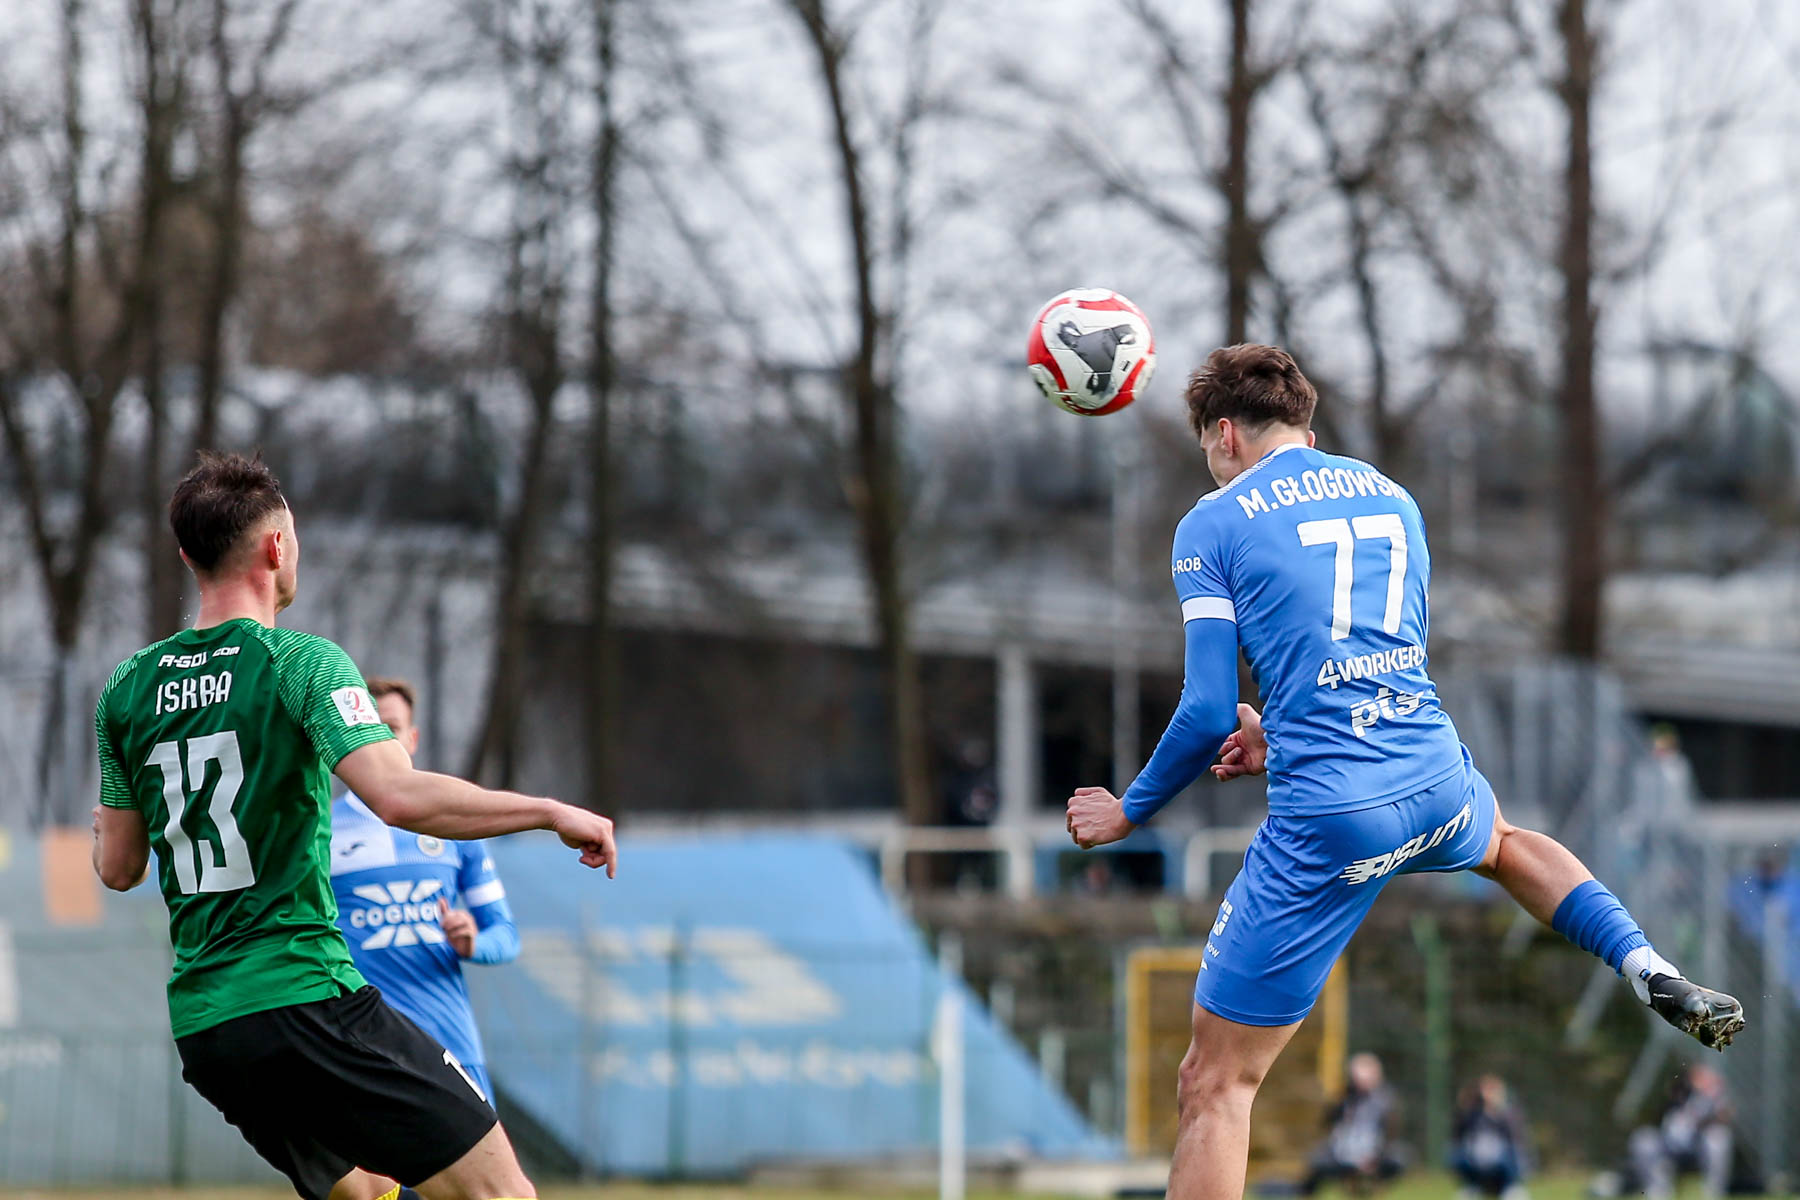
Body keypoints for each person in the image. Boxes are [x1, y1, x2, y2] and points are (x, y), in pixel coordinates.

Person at [1063, 345, 1744, 1200]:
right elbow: (1371, 662)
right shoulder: (1393, 496)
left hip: (1332, 818)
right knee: (1501, 842)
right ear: (1306, 425)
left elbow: (1205, 710)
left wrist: (1130, 810)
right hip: (1430, 779)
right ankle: (1644, 962)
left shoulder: (1213, 520)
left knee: (1216, 1085)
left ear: (1226, 433)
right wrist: (1280, 735)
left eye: (1209, 447)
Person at [90, 452, 617, 1200]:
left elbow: (117, 867)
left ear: (187, 556)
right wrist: (548, 810)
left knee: (366, 1192)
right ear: (278, 547)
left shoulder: (126, 688)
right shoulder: (300, 662)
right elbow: (398, 798)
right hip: (303, 995)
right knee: (501, 1194)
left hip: (208, 1027)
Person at [331, 677, 518, 1103]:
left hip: (451, 1043)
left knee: (488, 1174)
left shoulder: (455, 826)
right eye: (368, 728)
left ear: (411, 739)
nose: (381, 740)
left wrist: (473, 943)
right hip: (362, 1049)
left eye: (391, 728)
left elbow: (505, 936)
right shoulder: (319, 832)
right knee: (373, 1173)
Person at [1299, 1052, 1406, 1195]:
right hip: (1342, 1152)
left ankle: (1375, 1190)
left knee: (1399, 1158)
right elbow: (1327, 1125)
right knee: (1317, 1161)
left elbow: (1391, 1134)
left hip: (1374, 1153)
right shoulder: (1343, 1099)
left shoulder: (1386, 1102)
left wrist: (1375, 1157)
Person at [1626, 1064, 1734, 1200]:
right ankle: (1657, 1191)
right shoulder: (1680, 1092)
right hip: (1668, 1145)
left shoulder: (1714, 1099)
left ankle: (1713, 1192)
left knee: (1718, 1138)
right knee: (1642, 1139)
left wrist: (1713, 1098)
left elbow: (1725, 1116)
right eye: (1698, 1077)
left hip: (1697, 1147)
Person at [1450, 1075, 1530, 1199]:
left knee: (1514, 1153)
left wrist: (1498, 1112)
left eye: (1493, 1090)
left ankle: (1510, 1187)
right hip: (1475, 1157)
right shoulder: (1472, 1115)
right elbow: (1458, 1135)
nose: (1489, 1095)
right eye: (1486, 1090)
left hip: (1503, 1156)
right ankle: (1473, 1185)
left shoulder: (1509, 1114)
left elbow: (1516, 1140)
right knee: (1456, 1154)